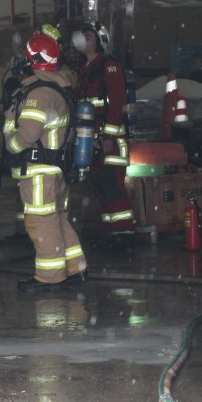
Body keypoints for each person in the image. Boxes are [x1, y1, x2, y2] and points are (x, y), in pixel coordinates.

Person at [3, 33, 87, 292]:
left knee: (40, 222)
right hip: (55, 171)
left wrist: (11, 146)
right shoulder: (58, 87)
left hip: (40, 173)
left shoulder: (39, 94)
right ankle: (76, 267)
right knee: (57, 219)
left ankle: (50, 277)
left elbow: (27, 135)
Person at [72, 21, 135, 239]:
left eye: (88, 37)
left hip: (111, 142)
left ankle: (123, 231)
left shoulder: (109, 66)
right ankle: (111, 232)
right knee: (100, 188)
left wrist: (108, 136)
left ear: (100, 41)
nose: (83, 40)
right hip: (92, 141)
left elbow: (117, 103)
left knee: (113, 187)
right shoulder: (84, 71)